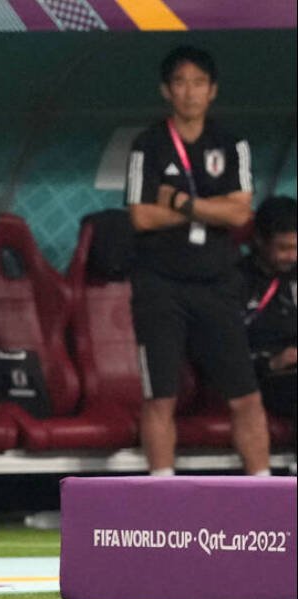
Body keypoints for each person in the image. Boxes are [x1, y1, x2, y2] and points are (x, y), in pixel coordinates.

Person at [124, 45, 270, 476]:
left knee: (246, 396)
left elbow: (242, 212)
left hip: (217, 284)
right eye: (181, 83)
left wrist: (183, 202)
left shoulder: (231, 143)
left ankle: (264, 493)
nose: (190, 92)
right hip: (159, 287)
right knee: (160, 397)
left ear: (213, 91)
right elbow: (141, 215)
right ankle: (161, 497)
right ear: (166, 90)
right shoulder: (148, 145)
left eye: (199, 83)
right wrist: (212, 205)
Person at [239, 195, 296, 421]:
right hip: (266, 376)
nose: (293, 256)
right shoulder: (235, 281)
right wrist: (272, 362)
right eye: (283, 248)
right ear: (260, 241)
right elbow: (221, 350)